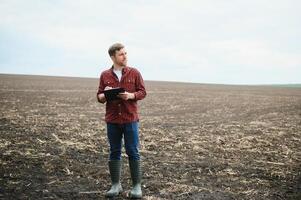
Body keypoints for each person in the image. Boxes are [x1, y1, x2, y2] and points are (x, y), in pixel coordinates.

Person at [97, 43, 146, 198]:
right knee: (114, 151)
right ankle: (115, 185)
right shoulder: (105, 75)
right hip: (112, 120)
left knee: (133, 151)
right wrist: (106, 95)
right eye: (121, 54)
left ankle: (136, 187)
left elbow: (143, 92)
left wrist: (130, 96)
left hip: (130, 119)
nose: (125, 56)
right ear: (113, 57)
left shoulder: (134, 73)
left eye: (125, 53)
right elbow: (99, 96)